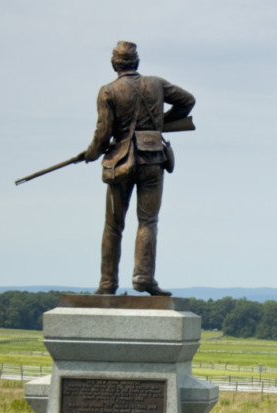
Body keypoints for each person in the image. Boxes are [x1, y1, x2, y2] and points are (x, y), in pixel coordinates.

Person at [80, 41, 195, 296]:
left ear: (114, 64)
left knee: (113, 225)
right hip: (153, 160)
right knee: (148, 221)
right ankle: (143, 277)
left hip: (120, 163)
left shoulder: (108, 91)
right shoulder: (156, 84)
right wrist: (159, 125)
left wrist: (90, 153)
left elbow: (103, 133)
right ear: (137, 63)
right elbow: (188, 101)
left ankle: (108, 283)